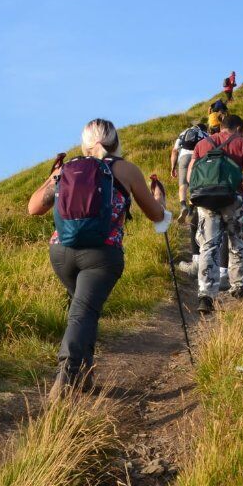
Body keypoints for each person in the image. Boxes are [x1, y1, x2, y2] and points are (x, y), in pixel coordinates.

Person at [27, 119, 170, 397]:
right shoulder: (125, 169)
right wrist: (160, 199)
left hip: (61, 252)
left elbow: (33, 208)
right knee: (83, 311)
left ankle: (85, 374)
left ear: (84, 144)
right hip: (102, 254)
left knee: (83, 309)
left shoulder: (67, 168)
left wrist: (54, 177)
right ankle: (65, 375)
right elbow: (156, 214)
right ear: (115, 142)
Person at [187, 114, 243, 313]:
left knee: (208, 246)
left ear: (220, 127)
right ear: (239, 128)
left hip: (206, 201)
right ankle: (238, 288)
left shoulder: (202, 144)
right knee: (237, 243)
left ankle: (205, 296)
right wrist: (237, 176)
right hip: (232, 199)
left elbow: (191, 176)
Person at [170, 120, 208, 219]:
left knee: (183, 184)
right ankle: (191, 210)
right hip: (197, 158)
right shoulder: (205, 134)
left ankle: (183, 206)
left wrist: (173, 167)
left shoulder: (183, 133)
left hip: (183, 158)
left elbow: (174, 151)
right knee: (194, 185)